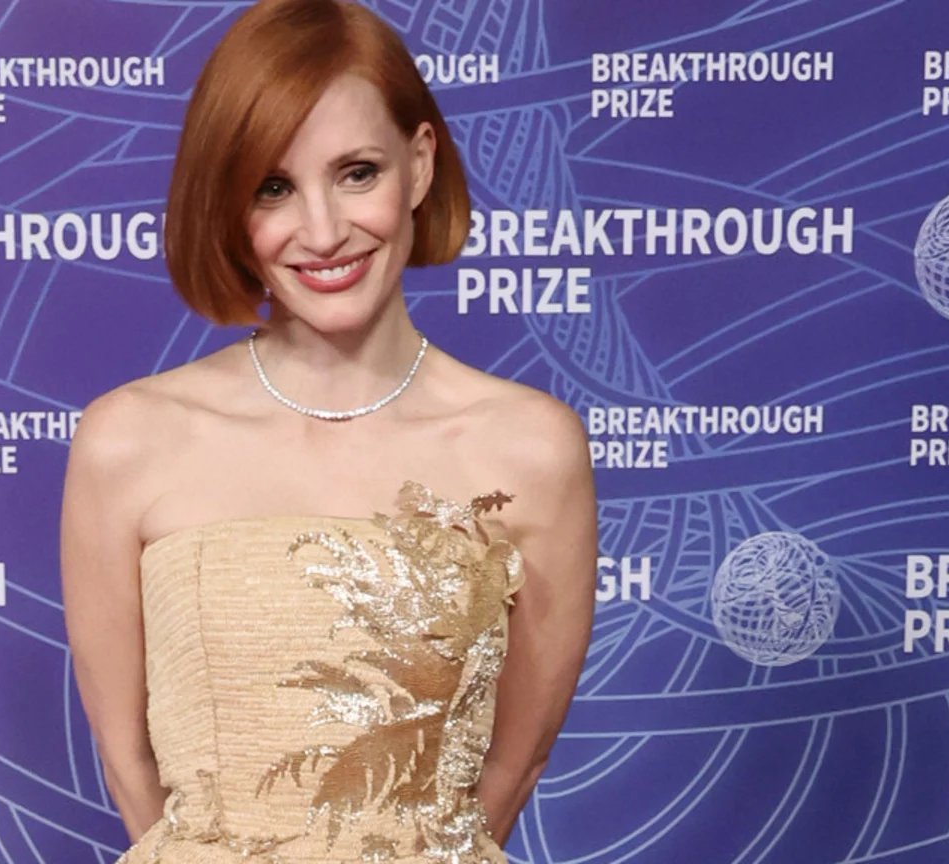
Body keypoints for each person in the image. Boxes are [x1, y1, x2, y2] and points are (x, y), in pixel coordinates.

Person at [60, 0, 596, 861]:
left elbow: (515, 761)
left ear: (419, 167)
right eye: (273, 187)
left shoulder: (529, 449)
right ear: (230, 207)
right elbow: (127, 765)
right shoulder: (129, 441)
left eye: (357, 173)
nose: (322, 231)